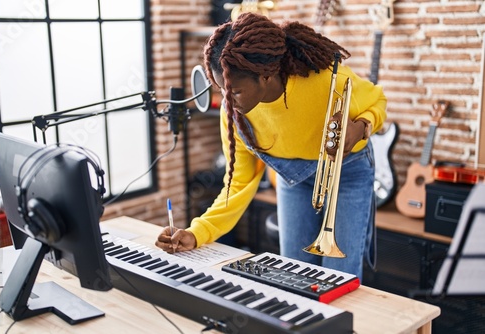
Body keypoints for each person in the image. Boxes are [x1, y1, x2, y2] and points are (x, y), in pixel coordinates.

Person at [156, 12, 387, 280]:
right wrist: (196, 233)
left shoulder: (322, 82)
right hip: (293, 180)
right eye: (222, 91)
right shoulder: (234, 114)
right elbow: (238, 184)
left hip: (347, 174)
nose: (228, 101)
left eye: (236, 92)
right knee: (294, 273)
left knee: (340, 275)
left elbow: (377, 101)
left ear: (265, 76)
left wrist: (361, 127)